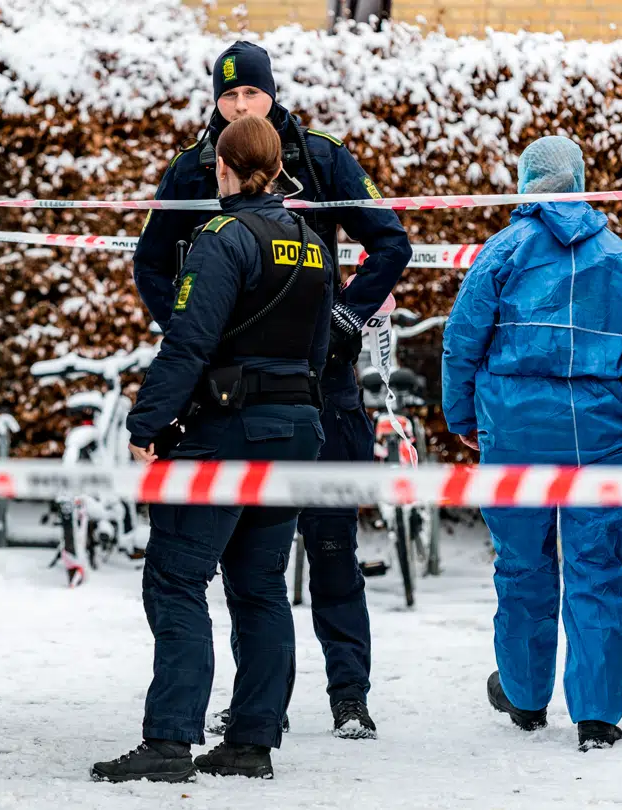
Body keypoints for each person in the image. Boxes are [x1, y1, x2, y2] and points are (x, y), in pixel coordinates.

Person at [133, 40, 411, 741]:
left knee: (330, 547)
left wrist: (344, 321)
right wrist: (197, 330)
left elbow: (391, 243)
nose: (238, 106)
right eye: (228, 97)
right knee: (254, 571)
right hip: (229, 394)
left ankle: (349, 693)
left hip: (324, 384)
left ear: (271, 94)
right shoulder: (194, 167)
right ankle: (262, 711)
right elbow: (151, 262)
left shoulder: (320, 156)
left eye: (249, 95)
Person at [93, 116, 332, 783]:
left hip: (230, 431)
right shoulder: (312, 243)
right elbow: (320, 349)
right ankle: (252, 741)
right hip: (294, 432)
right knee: (260, 586)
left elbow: (189, 342)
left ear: (223, 167)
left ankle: (169, 741)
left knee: (175, 578)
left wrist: (147, 424)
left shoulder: (222, 240)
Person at [439, 136, 622, 752]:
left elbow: (462, 340)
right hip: (604, 434)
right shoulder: (619, 257)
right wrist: (620, 409)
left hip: (515, 431)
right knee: (597, 567)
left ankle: (525, 696)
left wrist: (463, 415)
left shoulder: (503, 250)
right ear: (582, 180)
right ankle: (596, 716)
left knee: (523, 564)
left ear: (525, 182)